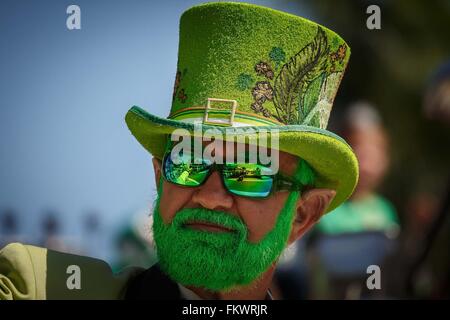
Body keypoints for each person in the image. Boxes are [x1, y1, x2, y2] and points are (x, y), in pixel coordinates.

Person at [0, 2, 358, 300]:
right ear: (159, 177)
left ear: (303, 215)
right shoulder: (38, 288)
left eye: (249, 171)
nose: (211, 196)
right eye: (187, 161)